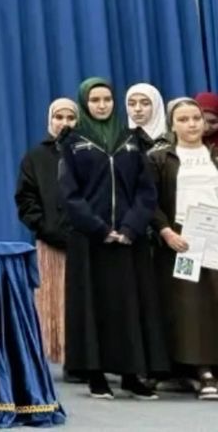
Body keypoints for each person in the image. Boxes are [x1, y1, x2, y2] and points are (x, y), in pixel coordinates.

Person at [57, 77, 167, 400]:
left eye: (107, 99)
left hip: (129, 240)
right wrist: (100, 228)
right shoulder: (73, 141)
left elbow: (146, 191)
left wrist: (131, 227)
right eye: (95, 100)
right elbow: (69, 194)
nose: (102, 105)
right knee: (94, 306)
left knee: (131, 305)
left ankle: (131, 375)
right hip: (91, 240)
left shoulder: (130, 139)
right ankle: (95, 375)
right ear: (84, 104)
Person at [149, 97, 218, 398]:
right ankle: (199, 370)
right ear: (172, 125)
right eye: (184, 119)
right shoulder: (160, 158)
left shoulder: (214, 154)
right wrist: (165, 231)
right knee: (190, 307)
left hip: (215, 236)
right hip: (183, 239)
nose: (192, 124)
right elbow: (148, 201)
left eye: (196, 119)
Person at [14, 97, 77, 368]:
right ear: (50, 121)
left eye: (70, 118)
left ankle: (86, 359)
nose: (64, 123)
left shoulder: (89, 153)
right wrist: (44, 227)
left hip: (86, 242)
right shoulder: (36, 157)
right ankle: (63, 355)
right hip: (51, 242)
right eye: (58, 117)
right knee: (56, 302)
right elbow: (25, 198)